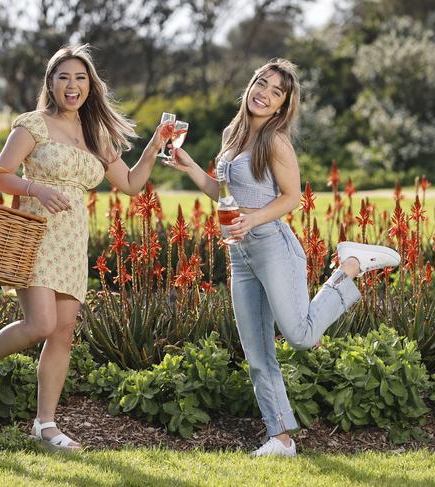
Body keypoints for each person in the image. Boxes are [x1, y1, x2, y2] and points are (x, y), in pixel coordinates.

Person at [166, 58, 400, 457]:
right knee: (257, 353)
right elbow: (225, 196)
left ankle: (352, 266)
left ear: (281, 107)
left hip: (274, 245)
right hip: (242, 254)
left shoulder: (274, 140)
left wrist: (251, 219)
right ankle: (281, 438)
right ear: (251, 85)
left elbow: (291, 197)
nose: (265, 94)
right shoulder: (232, 133)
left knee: (301, 336)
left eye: (276, 92)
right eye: (262, 83)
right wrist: (190, 168)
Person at [0, 44, 173, 451]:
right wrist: (36, 187)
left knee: (64, 333)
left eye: (81, 78)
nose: (73, 85)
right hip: (34, 234)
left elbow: (130, 184)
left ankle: (45, 425)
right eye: (64, 77)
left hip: (72, 240)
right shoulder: (33, 124)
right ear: (50, 83)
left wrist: (155, 144)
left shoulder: (97, 135)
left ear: (91, 85)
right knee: (41, 325)